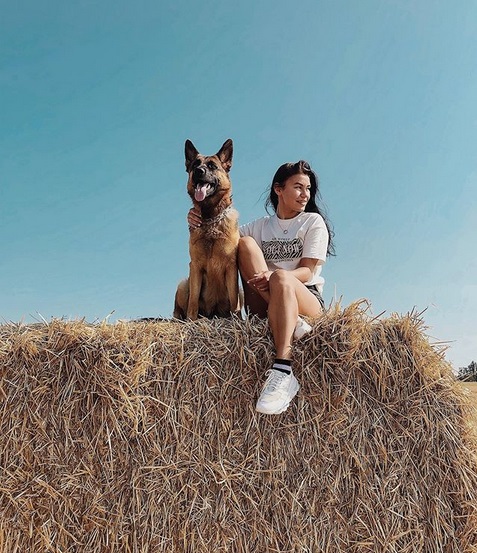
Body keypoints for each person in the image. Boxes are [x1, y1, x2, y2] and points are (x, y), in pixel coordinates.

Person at [188, 160, 335, 415]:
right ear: (279, 189)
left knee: (281, 278)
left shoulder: (312, 222)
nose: (305, 194)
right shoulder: (260, 226)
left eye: (308, 189)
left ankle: (283, 370)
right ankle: (290, 321)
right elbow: (222, 233)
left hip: (305, 298)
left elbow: (308, 271)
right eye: (298, 187)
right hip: (265, 303)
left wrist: (275, 275)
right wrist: (197, 218)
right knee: (243, 244)